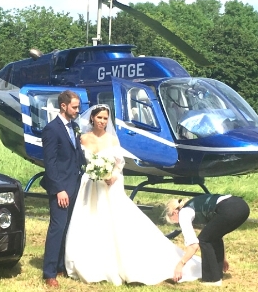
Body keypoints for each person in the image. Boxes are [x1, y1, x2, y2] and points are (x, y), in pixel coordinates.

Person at [64, 104, 202, 286]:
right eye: (99, 118)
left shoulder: (112, 140)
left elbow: (119, 163)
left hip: (109, 186)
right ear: (92, 118)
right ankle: (90, 262)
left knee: (113, 222)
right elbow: (78, 161)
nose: (103, 122)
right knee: (89, 220)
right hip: (90, 186)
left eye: (106, 118)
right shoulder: (83, 139)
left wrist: (112, 176)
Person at [40, 90, 86, 288]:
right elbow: (50, 163)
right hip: (60, 187)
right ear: (63, 106)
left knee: (68, 227)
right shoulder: (52, 129)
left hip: (75, 184)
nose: (78, 110)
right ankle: (49, 272)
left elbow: (77, 157)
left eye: (78, 107)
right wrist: (59, 189)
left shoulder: (74, 127)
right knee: (57, 228)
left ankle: (61, 265)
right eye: (75, 107)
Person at [165, 194, 250, 286]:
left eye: (176, 222)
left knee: (203, 240)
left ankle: (212, 279)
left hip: (230, 208)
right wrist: (222, 259)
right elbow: (216, 234)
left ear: (174, 213)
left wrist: (180, 265)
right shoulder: (196, 207)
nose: (179, 224)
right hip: (242, 207)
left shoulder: (184, 213)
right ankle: (217, 274)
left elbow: (194, 246)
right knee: (210, 237)